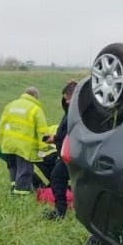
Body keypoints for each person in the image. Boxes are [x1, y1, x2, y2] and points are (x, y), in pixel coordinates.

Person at [0, 87, 48, 195]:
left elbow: (1, 126)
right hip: (24, 147)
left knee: (13, 168)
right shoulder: (35, 109)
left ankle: (14, 189)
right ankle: (20, 196)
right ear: (35, 97)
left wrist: (1, 144)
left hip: (8, 144)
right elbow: (42, 132)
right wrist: (45, 150)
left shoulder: (10, 105)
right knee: (25, 171)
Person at [43, 80, 78, 220]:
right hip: (70, 152)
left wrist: (56, 138)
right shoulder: (72, 110)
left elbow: (67, 133)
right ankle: (64, 210)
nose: (66, 102)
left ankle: (60, 212)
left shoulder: (75, 113)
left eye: (68, 99)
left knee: (57, 177)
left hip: (71, 153)